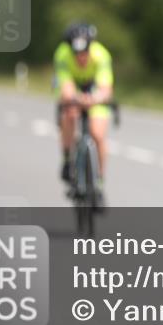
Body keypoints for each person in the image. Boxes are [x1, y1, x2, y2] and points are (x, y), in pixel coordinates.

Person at [53, 22, 114, 208]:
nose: (80, 57)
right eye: (76, 54)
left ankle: (99, 183)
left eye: (84, 53)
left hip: (94, 93)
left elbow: (106, 89)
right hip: (74, 92)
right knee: (70, 114)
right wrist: (74, 98)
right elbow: (65, 88)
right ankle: (67, 160)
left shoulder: (101, 55)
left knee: (97, 134)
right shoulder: (62, 54)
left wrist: (95, 98)